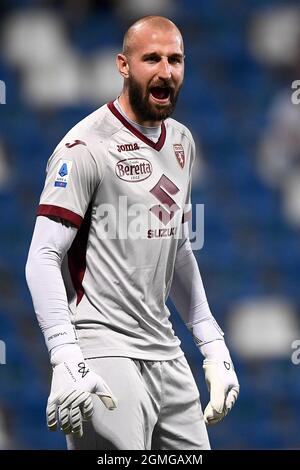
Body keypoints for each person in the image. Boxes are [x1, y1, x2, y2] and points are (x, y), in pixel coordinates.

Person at [26, 15, 239, 450]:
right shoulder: (84, 148)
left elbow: (177, 247)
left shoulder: (182, 143)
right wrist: (65, 356)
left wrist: (213, 344)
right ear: (123, 65)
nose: (165, 71)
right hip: (102, 348)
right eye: (152, 59)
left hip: (166, 349)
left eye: (175, 59)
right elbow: (42, 257)